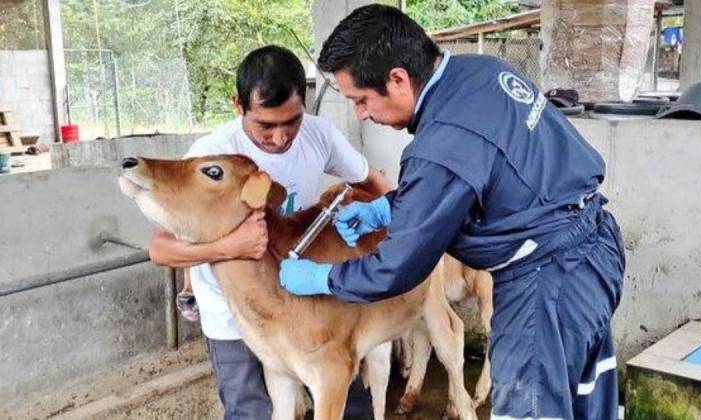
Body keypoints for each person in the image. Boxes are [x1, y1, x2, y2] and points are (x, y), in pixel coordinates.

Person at [278, 5, 626, 420]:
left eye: (361, 99)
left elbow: (397, 266)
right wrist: (387, 208)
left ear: (398, 79)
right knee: (585, 399)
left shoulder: (440, 147)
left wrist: (323, 277)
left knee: (531, 411)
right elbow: (480, 177)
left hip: (547, 284)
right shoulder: (482, 72)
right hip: (595, 247)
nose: (361, 113)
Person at [149, 45, 391, 420]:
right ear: (238, 105)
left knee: (346, 397)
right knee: (250, 408)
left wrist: (400, 213)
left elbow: (372, 180)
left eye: (291, 122)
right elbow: (161, 249)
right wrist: (230, 246)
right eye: (265, 125)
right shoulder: (213, 157)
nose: (280, 138)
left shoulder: (319, 135)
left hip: (305, 299)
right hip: (236, 314)